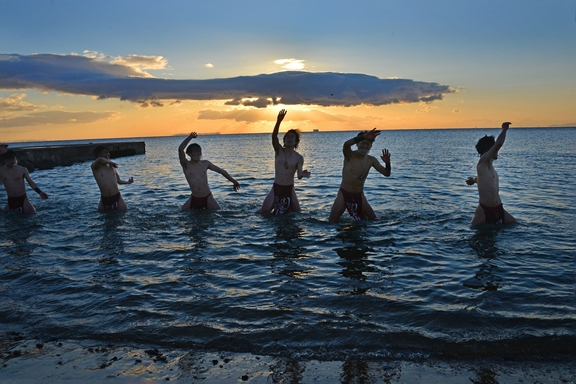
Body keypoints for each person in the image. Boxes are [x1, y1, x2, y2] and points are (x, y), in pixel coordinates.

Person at [328, 128, 391, 222]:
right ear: (357, 144)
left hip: (359, 194)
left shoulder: (371, 160)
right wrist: (364, 136)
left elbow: (386, 174)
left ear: (371, 146)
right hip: (344, 193)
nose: (365, 146)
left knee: (373, 219)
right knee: (332, 221)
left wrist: (387, 163)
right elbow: (346, 144)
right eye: (362, 143)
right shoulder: (350, 155)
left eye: (368, 144)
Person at [260, 109, 311, 215]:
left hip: (289, 189)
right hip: (276, 187)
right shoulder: (279, 151)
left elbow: (298, 175)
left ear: (296, 142)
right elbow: (274, 137)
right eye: (287, 136)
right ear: (284, 139)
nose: (289, 138)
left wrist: (302, 174)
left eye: (292, 137)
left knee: (297, 213)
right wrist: (278, 121)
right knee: (264, 212)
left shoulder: (298, 158)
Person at [466, 122, 517, 225]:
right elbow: (498, 144)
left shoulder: (489, 167)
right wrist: (504, 130)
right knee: (473, 231)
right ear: (490, 150)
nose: (497, 151)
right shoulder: (482, 162)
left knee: (517, 225)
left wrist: (474, 180)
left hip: (499, 209)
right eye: (494, 149)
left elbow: (485, 179)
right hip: (484, 211)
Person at [178, 132, 240, 210]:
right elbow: (180, 149)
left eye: (199, 151)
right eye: (195, 151)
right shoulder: (186, 164)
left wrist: (234, 181)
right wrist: (190, 137)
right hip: (194, 198)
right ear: (189, 154)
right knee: (180, 213)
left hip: (207, 197)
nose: (198, 153)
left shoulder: (205, 164)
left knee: (219, 212)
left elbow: (221, 171)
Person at [91, 145, 134, 211]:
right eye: (103, 153)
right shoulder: (95, 167)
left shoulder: (112, 168)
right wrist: (110, 162)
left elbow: (118, 181)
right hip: (104, 199)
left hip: (117, 197)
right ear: (97, 155)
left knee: (124, 212)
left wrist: (128, 182)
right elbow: (100, 160)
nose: (106, 154)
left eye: (107, 152)